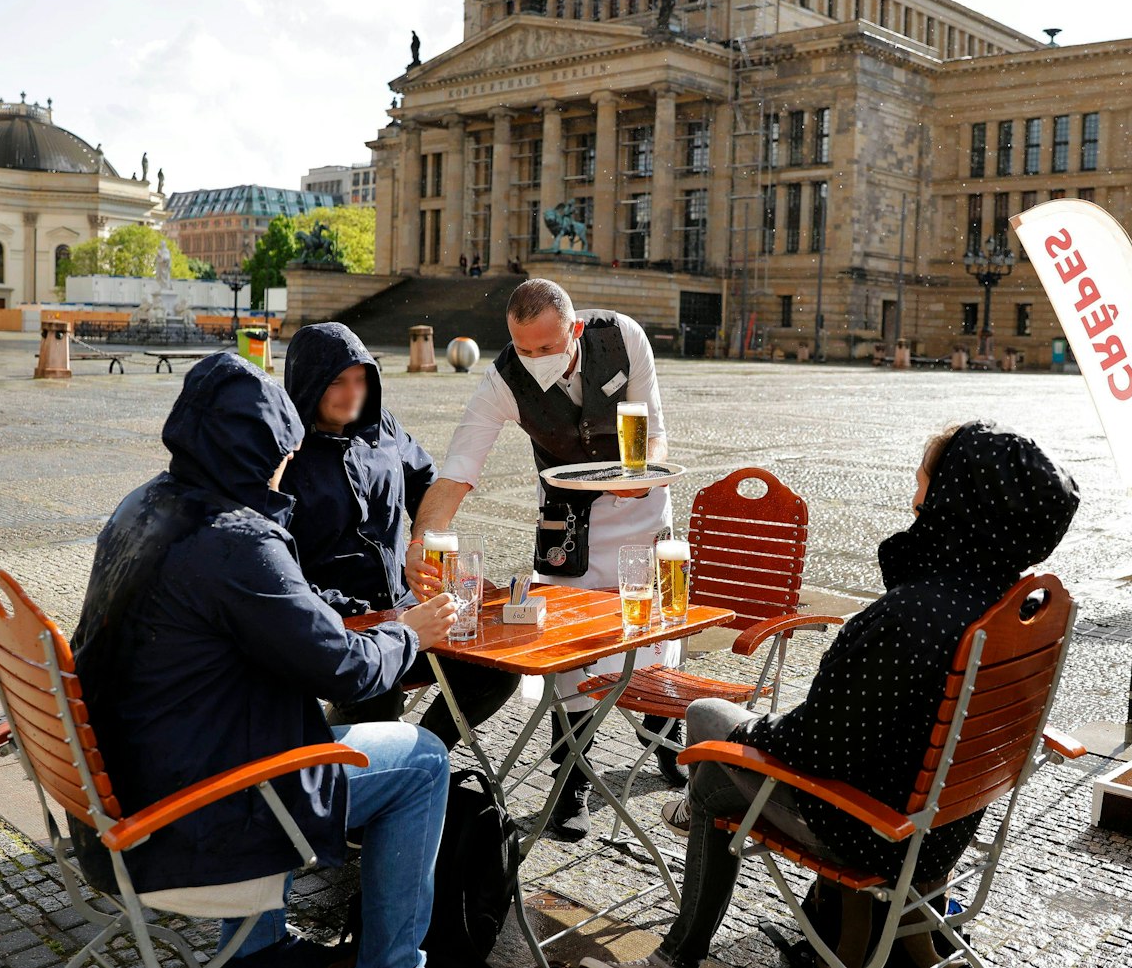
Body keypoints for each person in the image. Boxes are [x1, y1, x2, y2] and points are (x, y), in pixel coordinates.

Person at [583, 421, 1080, 968]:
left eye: (925, 478)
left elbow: (812, 748)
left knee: (707, 733)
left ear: (953, 498)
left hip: (870, 829)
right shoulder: (1012, 608)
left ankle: (678, 952)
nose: (915, 489)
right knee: (716, 766)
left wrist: (748, 732)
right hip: (946, 829)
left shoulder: (912, 615)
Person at [70, 352, 459, 968]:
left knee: (253, 726)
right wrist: (410, 634)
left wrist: (329, 604)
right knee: (424, 761)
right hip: (189, 819)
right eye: (282, 457)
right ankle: (391, 962)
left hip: (116, 791)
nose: (283, 475)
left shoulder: (141, 506)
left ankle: (255, 950)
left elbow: (252, 609)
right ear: (258, 454)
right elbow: (345, 671)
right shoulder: (238, 537)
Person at [410, 279, 682, 841]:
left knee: (651, 630)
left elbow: (654, 434)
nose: (533, 360)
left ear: (574, 329)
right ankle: (569, 782)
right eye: (523, 348)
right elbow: (459, 469)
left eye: (545, 347)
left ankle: (664, 726)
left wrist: (640, 475)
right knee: (570, 652)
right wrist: (423, 538)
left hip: (642, 512)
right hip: (568, 524)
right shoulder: (502, 381)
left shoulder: (622, 338)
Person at [280, 322, 519, 747]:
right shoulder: (283, 456)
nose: (353, 393)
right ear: (307, 382)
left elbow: (428, 482)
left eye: (361, 380)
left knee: (494, 662)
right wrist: (360, 621)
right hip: (332, 622)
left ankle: (426, 754)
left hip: (401, 606)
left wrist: (422, 542)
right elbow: (280, 571)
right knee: (377, 686)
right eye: (337, 382)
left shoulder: (382, 426)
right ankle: (342, 772)